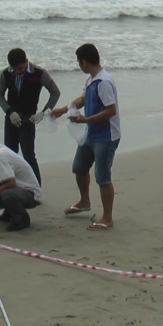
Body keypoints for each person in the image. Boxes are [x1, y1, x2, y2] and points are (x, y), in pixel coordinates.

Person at [52, 43, 120, 231]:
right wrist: (63, 109)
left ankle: (107, 217)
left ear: (84, 61)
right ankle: (84, 201)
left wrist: (86, 119)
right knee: (79, 167)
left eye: (78, 62)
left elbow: (111, 110)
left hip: (106, 136)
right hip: (91, 132)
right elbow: (82, 99)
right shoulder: (91, 79)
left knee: (102, 177)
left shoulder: (104, 82)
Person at [0, 48, 60, 185]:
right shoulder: (7, 73)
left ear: (26, 61)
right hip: (11, 118)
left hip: (29, 119)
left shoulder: (39, 73)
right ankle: (10, 185)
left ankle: (36, 187)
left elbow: (55, 92)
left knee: (29, 155)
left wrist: (44, 112)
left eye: (20, 68)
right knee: (9, 154)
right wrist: (9, 111)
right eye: (14, 69)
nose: (18, 71)